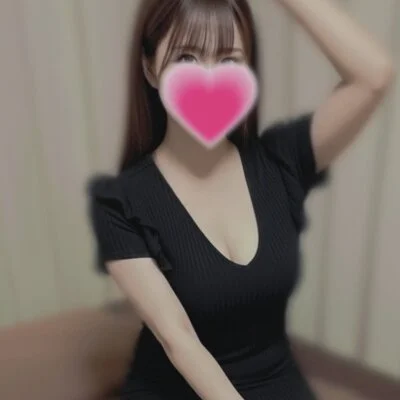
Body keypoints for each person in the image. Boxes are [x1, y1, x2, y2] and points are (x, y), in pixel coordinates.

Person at [86, 0, 395, 399]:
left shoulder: (281, 162)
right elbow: (178, 338)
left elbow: (374, 75)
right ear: (150, 68)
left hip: (276, 380)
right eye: (186, 57)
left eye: (229, 58)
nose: (209, 76)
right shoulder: (119, 201)